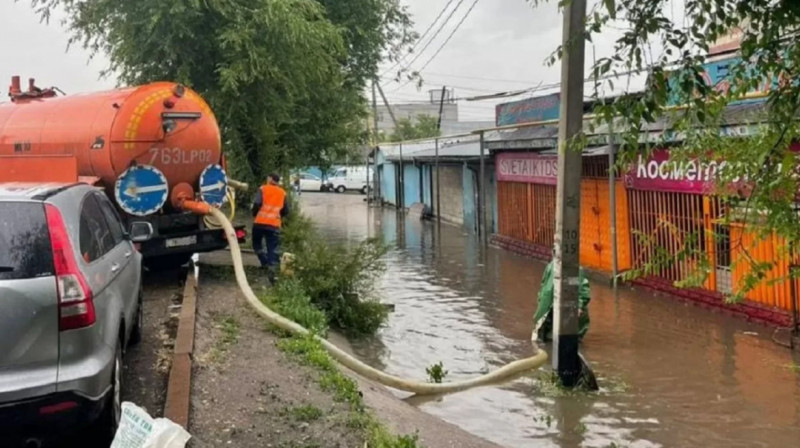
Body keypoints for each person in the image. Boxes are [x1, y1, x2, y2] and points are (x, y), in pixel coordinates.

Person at [532, 250, 591, 342]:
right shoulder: (551, 266)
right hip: (551, 302)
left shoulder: (575, 270)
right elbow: (544, 284)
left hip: (566, 303)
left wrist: (578, 306)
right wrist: (540, 298)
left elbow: (580, 290)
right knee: (544, 332)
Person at [252, 173, 289, 284]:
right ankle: (272, 273)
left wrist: (255, 214)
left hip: (260, 223)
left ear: (271, 179)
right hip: (274, 225)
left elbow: (257, 203)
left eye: (268, 177)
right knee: (272, 248)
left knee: (256, 244)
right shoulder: (283, 193)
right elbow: (286, 210)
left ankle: (264, 262)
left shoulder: (263, 189)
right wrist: (278, 216)